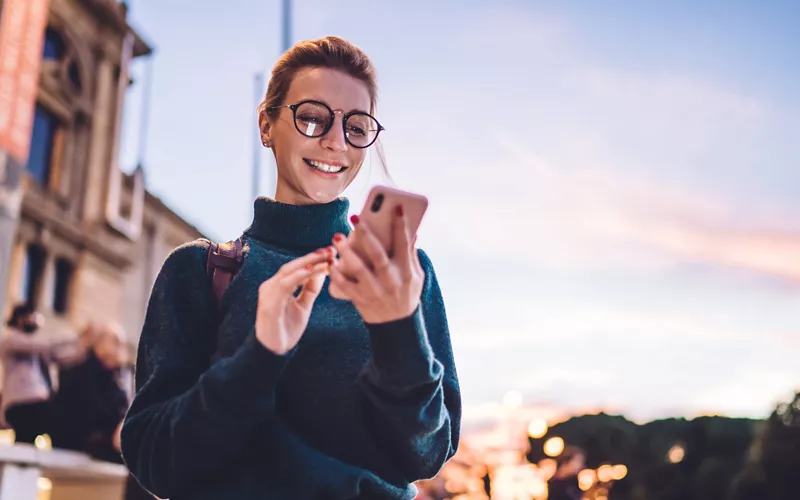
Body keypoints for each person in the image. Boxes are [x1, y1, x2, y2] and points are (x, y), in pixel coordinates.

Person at [120, 36, 461, 500]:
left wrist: (398, 330)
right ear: (267, 124)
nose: (335, 141)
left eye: (356, 126)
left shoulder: (405, 274)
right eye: (313, 117)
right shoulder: (200, 271)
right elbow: (154, 461)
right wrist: (259, 356)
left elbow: (427, 454)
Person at [0, 303, 82, 443]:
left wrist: (84, 350)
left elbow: (61, 357)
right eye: (32, 316)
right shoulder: (11, 340)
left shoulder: (37, 348)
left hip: (37, 401)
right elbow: (45, 345)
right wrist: (77, 338)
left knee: (26, 442)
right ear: (20, 319)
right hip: (20, 403)